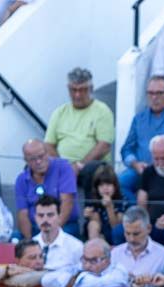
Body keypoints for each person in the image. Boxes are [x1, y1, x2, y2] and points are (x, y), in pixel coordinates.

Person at [45, 67, 114, 205]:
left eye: (82, 90)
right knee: (34, 167)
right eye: (73, 90)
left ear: (91, 89)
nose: (77, 95)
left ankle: (90, 217)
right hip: (63, 165)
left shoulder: (102, 111)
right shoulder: (60, 112)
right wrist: (64, 166)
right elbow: (48, 145)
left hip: (91, 165)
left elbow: (104, 146)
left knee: (92, 170)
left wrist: (79, 166)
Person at [14, 139, 78, 240]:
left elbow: (67, 203)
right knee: (15, 238)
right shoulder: (21, 179)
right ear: (26, 160)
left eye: (41, 156)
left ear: (47, 153)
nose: (38, 161)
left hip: (64, 225)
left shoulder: (64, 168)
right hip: (35, 226)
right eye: (33, 159)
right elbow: (22, 214)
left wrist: (52, 233)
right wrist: (30, 241)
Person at [42, 238, 130, 287]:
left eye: (93, 260)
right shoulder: (80, 266)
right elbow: (46, 280)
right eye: (85, 259)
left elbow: (95, 286)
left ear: (106, 260)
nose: (87, 265)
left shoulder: (119, 271)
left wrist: (77, 280)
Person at [110, 205, 164, 281]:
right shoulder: (115, 254)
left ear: (148, 228)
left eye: (136, 234)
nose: (131, 239)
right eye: (127, 233)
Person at [32, 194, 83, 273]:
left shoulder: (76, 247)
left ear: (59, 216)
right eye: (40, 215)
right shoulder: (30, 245)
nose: (45, 220)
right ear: (35, 218)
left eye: (50, 215)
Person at [84, 165, 126, 245]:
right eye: (101, 185)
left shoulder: (121, 198)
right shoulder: (93, 198)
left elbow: (116, 227)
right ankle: (95, 250)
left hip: (114, 235)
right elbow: (96, 223)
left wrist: (109, 207)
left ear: (115, 186)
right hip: (99, 234)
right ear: (97, 187)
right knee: (93, 224)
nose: (105, 188)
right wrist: (89, 214)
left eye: (108, 184)